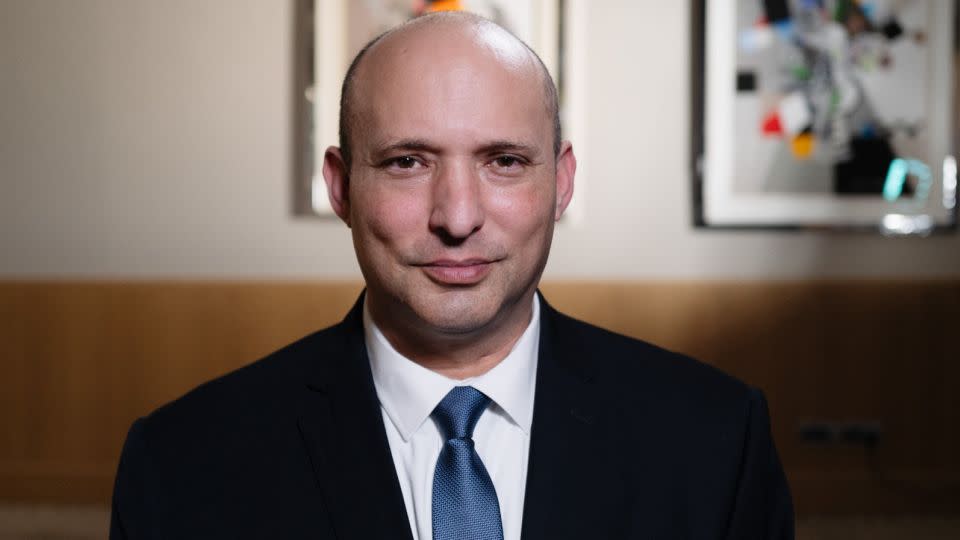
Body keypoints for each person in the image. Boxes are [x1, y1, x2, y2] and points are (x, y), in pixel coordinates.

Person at [110, 11, 794, 540]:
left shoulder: (715, 436)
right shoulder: (183, 459)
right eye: (409, 161)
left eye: (503, 161)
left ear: (561, 184)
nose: (458, 217)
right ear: (342, 188)